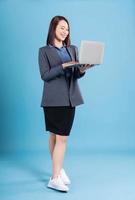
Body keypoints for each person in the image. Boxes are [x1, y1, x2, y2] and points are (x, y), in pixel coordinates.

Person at [38, 15, 94, 192]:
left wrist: (82, 70)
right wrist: (63, 66)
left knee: (57, 137)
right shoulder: (44, 51)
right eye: (62, 27)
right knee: (60, 137)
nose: (65, 31)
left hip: (71, 98)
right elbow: (45, 76)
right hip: (53, 100)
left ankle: (58, 168)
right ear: (53, 28)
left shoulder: (73, 49)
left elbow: (75, 75)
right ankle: (54, 178)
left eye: (67, 28)